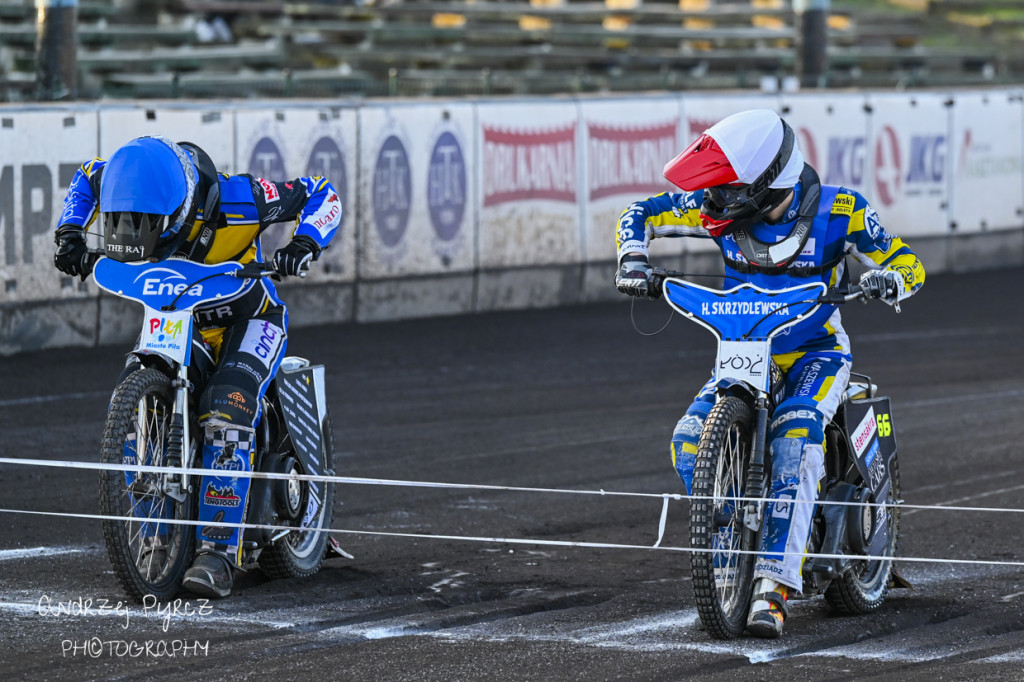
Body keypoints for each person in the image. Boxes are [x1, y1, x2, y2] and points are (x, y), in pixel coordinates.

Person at [614, 109, 924, 638]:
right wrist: (633, 257)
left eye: (728, 190)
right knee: (690, 442)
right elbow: (641, 211)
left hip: (817, 353)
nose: (714, 202)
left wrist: (889, 281)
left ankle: (773, 589)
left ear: (764, 184)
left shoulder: (842, 211)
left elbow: (906, 260)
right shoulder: (718, 208)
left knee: (795, 439)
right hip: (744, 347)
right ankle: (742, 539)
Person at [53, 135, 342, 599]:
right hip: (175, 323)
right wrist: (69, 232)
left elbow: (320, 193)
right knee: (135, 388)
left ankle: (219, 552)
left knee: (226, 405)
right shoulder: (125, 177)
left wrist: (304, 242)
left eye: (145, 226)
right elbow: (86, 176)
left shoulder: (241, 199)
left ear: (179, 211)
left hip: (248, 320)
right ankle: (156, 530)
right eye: (122, 225)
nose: (132, 235)